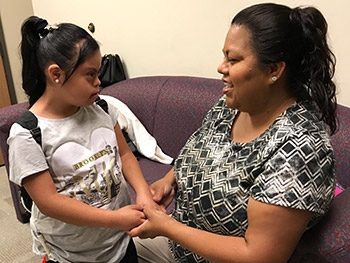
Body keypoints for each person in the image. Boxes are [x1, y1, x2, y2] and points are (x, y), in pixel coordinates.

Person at [129, 3, 337, 263]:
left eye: (234, 59)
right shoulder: (232, 106)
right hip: (180, 248)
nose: (221, 67)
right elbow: (201, 152)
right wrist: (169, 181)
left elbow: (260, 256)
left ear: (274, 70)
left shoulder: (299, 148)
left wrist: (167, 226)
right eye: (224, 56)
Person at [8, 16, 158, 263]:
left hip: (119, 244)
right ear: (56, 74)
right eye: (90, 74)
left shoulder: (103, 109)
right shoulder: (27, 134)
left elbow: (124, 154)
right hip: (73, 256)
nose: (99, 82)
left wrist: (142, 192)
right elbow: (49, 203)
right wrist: (115, 219)